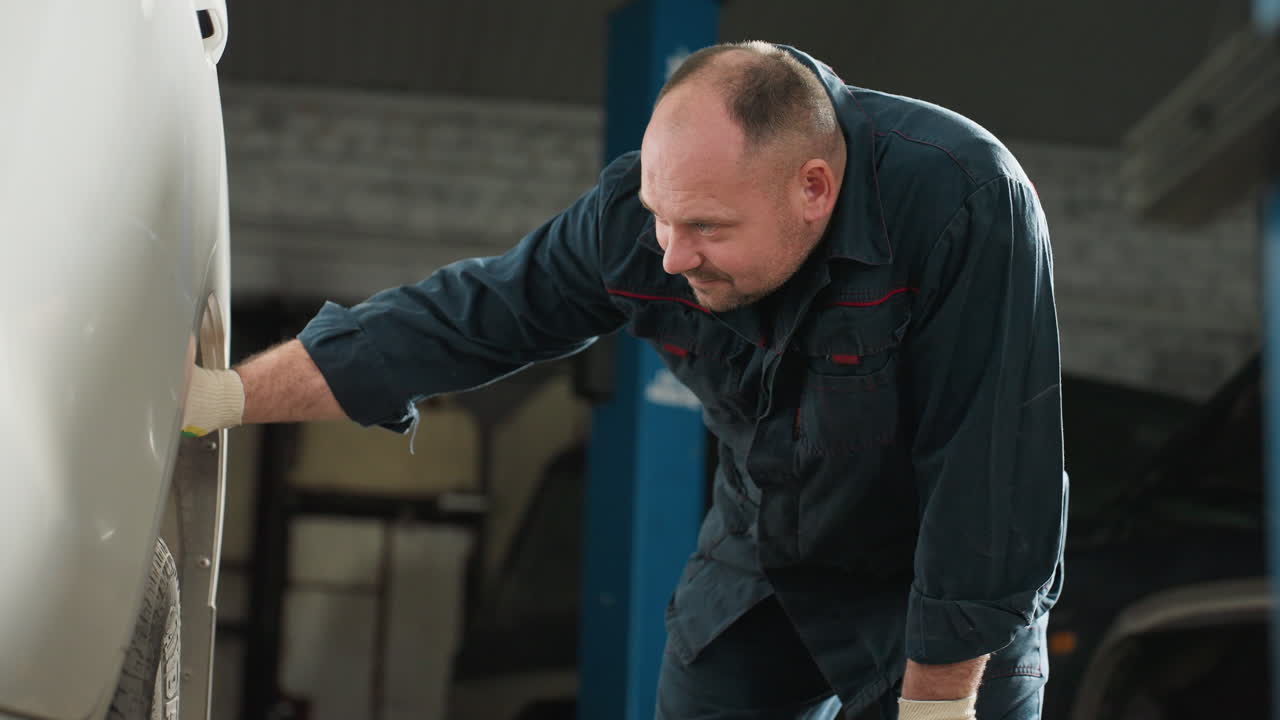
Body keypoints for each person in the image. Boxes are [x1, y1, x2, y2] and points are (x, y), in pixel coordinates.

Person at [184, 42, 1066, 720]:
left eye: (708, 229)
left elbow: (989, 485)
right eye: (660, 217)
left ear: (813, 188)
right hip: (764, 554)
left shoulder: (963, 204)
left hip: (932, 585)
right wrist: (223, 397)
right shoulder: (641, 221)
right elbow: (465, 317)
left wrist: (937, 703)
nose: (673, 256)